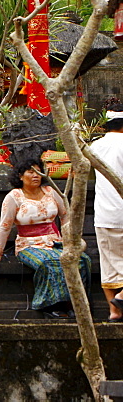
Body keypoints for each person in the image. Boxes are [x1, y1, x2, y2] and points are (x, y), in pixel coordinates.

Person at [0, 161, 91, 317]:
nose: (35, 175)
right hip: (29, 245)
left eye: (38, 172)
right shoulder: (14, 196)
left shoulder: (50, 191)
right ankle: (50, 305)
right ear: (20, 176)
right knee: (48, 263)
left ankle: (75, 303)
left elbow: (65, 215)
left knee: (82, 260)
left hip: (55, 242)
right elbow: (4, 227)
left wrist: (70, 241)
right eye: (30, 172)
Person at [90, 99, 123, 321]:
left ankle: (114, 311)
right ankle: (121, 298)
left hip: (104, 213)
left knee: (109, 263)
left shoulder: (94, 146)